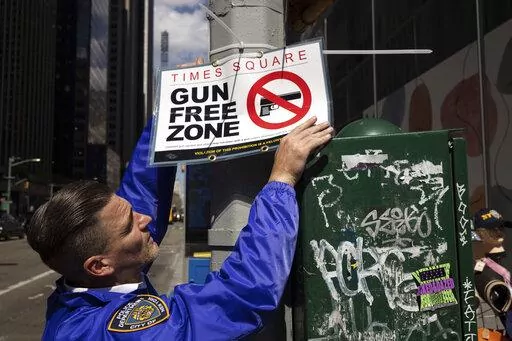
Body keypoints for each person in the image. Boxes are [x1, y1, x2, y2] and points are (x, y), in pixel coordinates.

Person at [26, 116, 334, 340]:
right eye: (129, 226)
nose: (145, 219)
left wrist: (172, 111)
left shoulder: (90, 287)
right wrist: (281, 179)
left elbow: (141, 195)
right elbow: (242, 294)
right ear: (99, 265)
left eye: (132, 213)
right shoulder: (118, 333)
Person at [472, 208, 512, 338]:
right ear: (480, 234)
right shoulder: (481, 269)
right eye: (492, 229)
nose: (498, 231)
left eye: (501, 227)